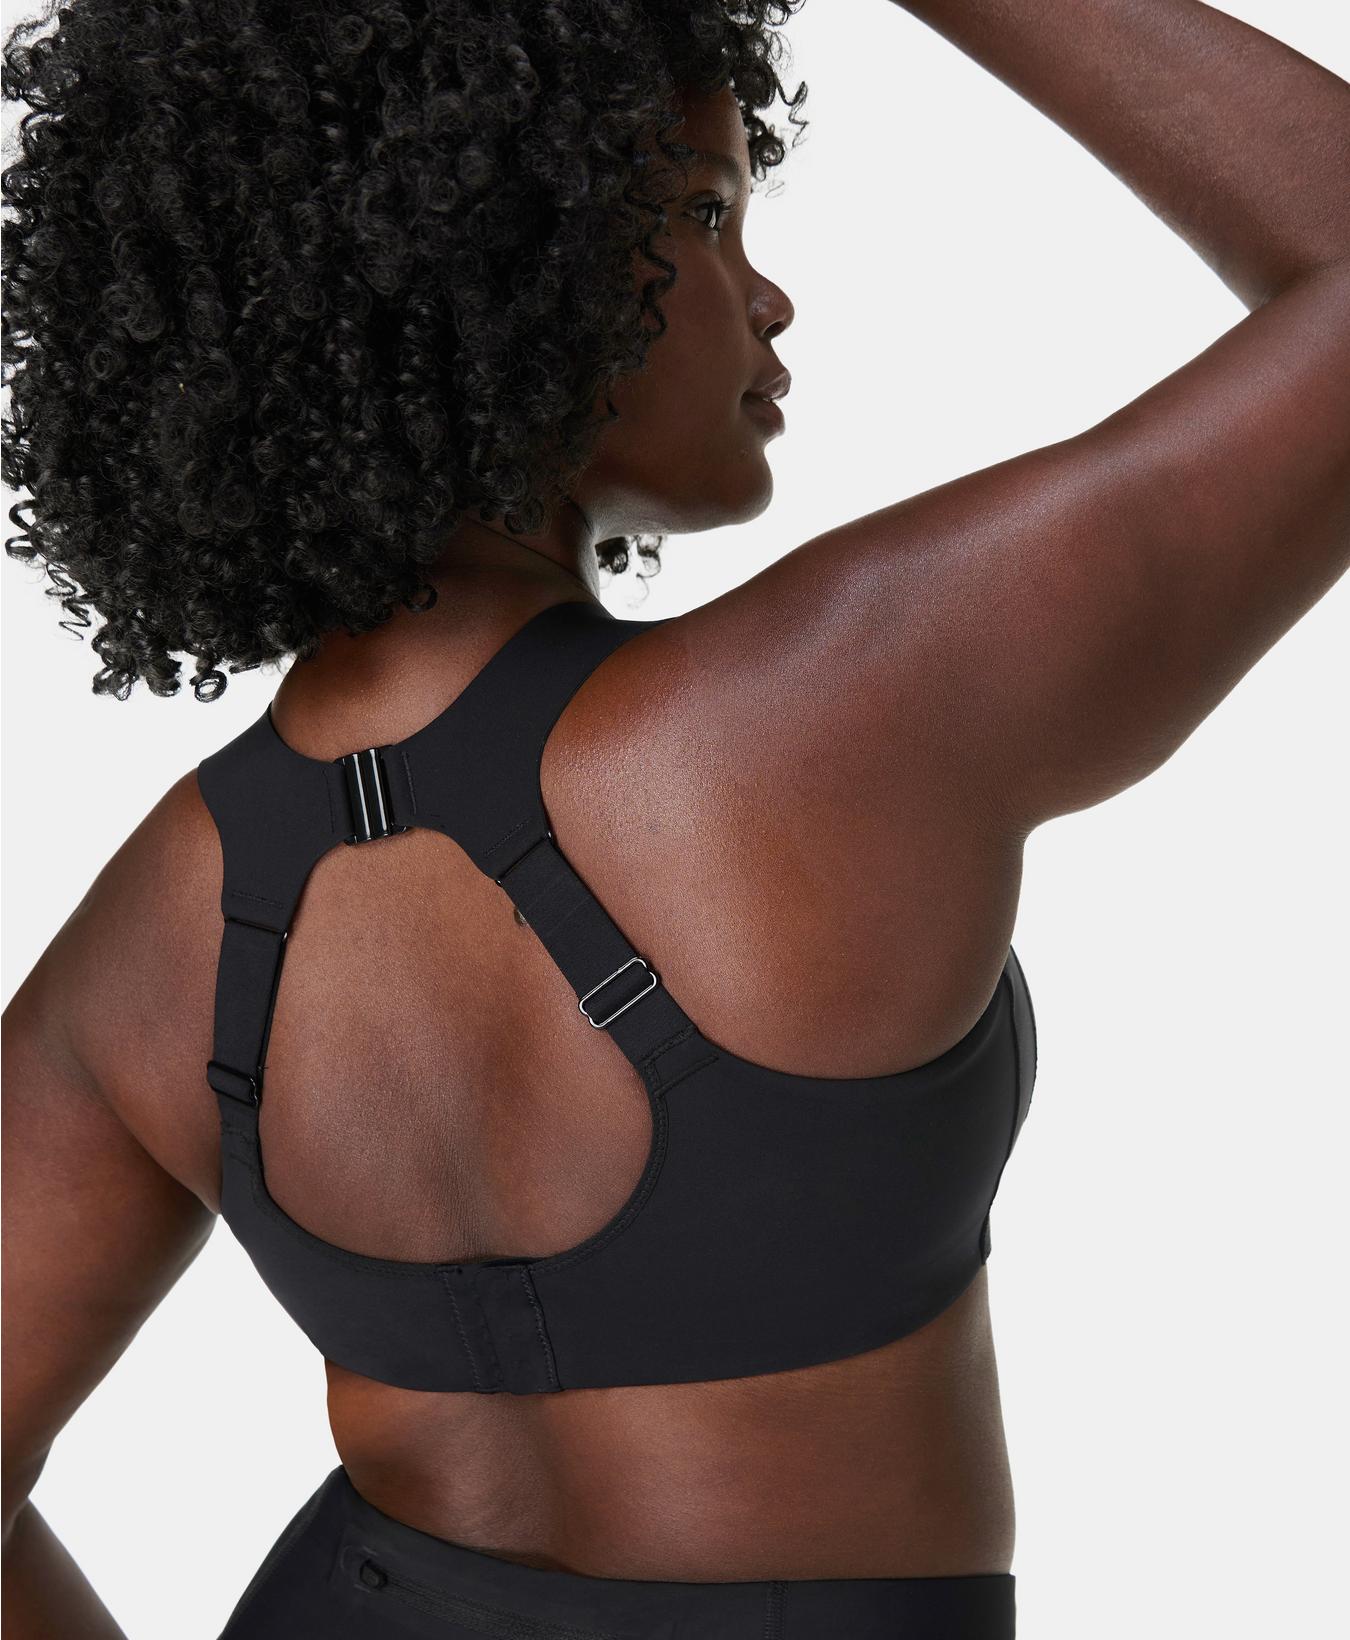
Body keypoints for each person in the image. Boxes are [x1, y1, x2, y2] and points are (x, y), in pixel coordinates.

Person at [2, 1, 1346, 1636]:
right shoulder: (839, 709)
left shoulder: (151, 934)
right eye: (704, 213)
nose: (764, 299)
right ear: (507, 256)